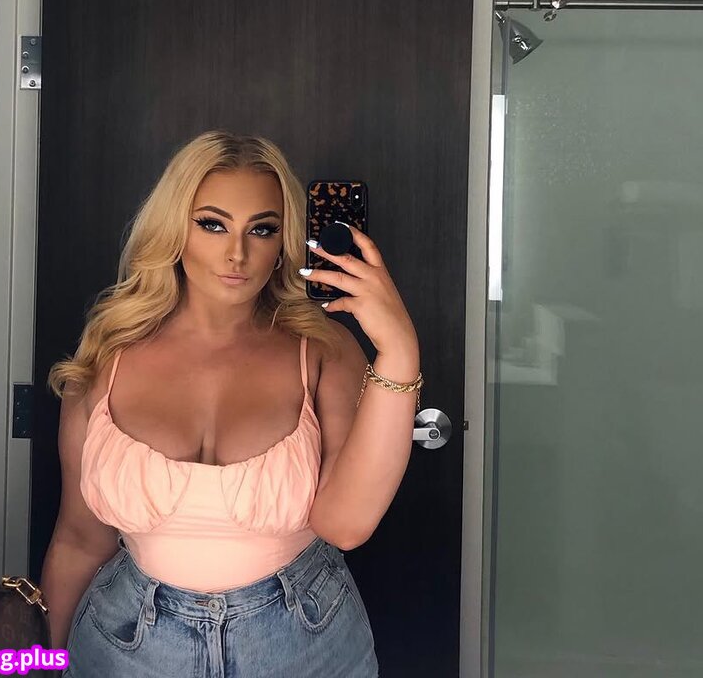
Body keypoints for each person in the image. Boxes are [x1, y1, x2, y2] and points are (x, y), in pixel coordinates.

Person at [41, 129, 422, 677]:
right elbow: (79, 541)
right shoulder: (107, 355)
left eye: (262, 229)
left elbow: (346, 525)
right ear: (175, 228)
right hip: (126, 647)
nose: (237, 253)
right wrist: (43, 663)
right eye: (212, 224)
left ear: (285, 240)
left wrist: (399, 349)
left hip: (305, 644)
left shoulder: (323, 351)